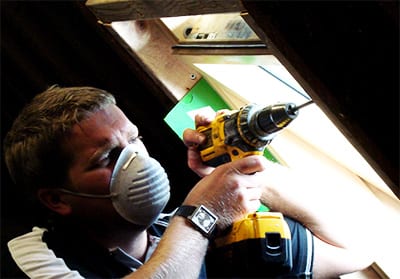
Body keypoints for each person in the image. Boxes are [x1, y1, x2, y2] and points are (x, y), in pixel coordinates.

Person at [3, 85, 378, 278]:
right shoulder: (29, 257)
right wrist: (200, 216)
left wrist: (246, 170)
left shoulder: (197, 234)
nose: (136, 158)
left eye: (134, 139)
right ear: (56, 199)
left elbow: (357, 249)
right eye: (108, 157)